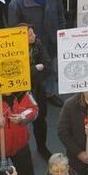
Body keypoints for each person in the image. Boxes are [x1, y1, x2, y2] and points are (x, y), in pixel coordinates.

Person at [8, 0, 66, 106]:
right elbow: (13, 29)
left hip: (51, 39)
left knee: (50, 67)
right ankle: (33, 99)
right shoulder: (17, 2)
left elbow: (60, 15)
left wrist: (62, 34)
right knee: (34, 73)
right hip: (32, 46)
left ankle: (50, 93)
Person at [22, 23, 53, 161]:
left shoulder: (37, 44)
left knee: (40, 121)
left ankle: (42, 146)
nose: (34, 36)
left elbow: (47, 66)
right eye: (30, 34)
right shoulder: (14, 50)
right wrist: (35, 69)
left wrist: (31, 71)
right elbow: (18, 73)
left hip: (38, 89)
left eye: (33, 33)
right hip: (21, 93)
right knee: (21, 121)